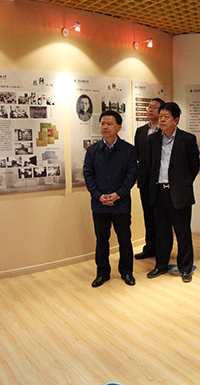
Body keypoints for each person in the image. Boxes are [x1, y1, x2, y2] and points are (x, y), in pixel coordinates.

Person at [146, 103, 200, 283]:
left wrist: (182, 184)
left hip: (179, 193)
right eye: (160, 116)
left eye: (166, 116)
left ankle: (185, 268)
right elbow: (150, 165)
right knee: (161, 233)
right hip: (159, 192)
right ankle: (161, 264)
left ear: (176, 120)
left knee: (183, 233)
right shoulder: (153, 139)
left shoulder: (187, 139)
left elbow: (194, 166)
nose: (161, 119)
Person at [83, 110, 137, 287]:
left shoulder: (129, 150)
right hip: (100, 205)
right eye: (102, 124)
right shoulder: (92, 150)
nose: (105, 127)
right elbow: (88, 174)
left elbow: (131, 176)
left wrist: (118, 194)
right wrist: (99, 196)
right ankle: (102, 273)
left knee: (124, 239)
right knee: (101, 240)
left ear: (119, 127)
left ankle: (127, 272)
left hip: (121, 203)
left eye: (109, 124)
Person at [133, 98, 165, 260]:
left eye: (154, 107)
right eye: (149, 107)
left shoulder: (165, 130)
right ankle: (150, 247)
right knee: (148, 215)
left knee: (161, 217)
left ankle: (163, 249)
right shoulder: (140, 131)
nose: (150, 110)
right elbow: (137, 155)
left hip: (161, 180)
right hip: (145, 180)